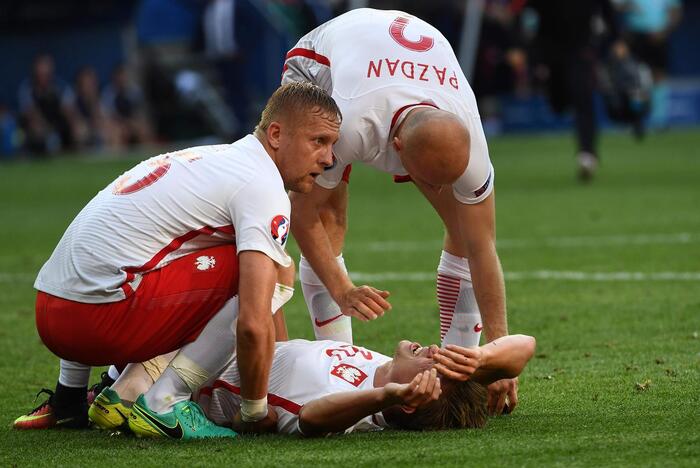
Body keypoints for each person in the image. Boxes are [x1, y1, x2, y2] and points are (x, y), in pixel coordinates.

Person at [13, 82, 341, 440]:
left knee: (170, 255)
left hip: (50, 312)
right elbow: (251, 322)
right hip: (95, 321)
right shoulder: (263, 187)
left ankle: (74, 398)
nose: (329, 159)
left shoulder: (214, 157)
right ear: (276, 134)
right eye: (319, 141)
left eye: (332, 145)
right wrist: (255, 411)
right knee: (275, 270)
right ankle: (164, 402)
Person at [281, 8, 516, 415]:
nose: (438, 190)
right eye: (429, 179)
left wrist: (499, 353)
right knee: (330, 214)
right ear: (398, 150)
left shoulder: (472, 141)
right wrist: (342, 288)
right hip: (319, 64)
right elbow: (304, 215)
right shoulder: (350, 125)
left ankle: (459, 374)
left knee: (464, 228)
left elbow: (483, 247)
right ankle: (338, 364)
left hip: (398, 63)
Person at [89, 334, 536, 436]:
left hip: (184, 370)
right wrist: (481, 360)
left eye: (435, 364)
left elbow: (310, 419)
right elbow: (525, 346)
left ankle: (124, 391)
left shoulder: (353, 405)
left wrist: (385, 396)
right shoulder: (385, 367)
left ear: (414, 398)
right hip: (215, 342)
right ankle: (108, 384)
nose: (436, 349)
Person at [520, 0, 621, 180]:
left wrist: (616, 40)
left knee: (584, 100)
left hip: (581, 50)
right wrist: (531, 55)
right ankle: (585, 150)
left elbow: (607, 12)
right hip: (551, 54)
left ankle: (587, 153)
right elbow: (527, 17)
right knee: (558, 104)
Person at [17, 53, 77, 154]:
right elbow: (31, 114)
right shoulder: (27, 88)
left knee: (78, 128)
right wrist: (49, 130)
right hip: (39, 127)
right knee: (35, 129)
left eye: (46, 73)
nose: (43, 76)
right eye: (40, 72)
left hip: (59, 124)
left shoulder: (61, 87)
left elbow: (69, 112)